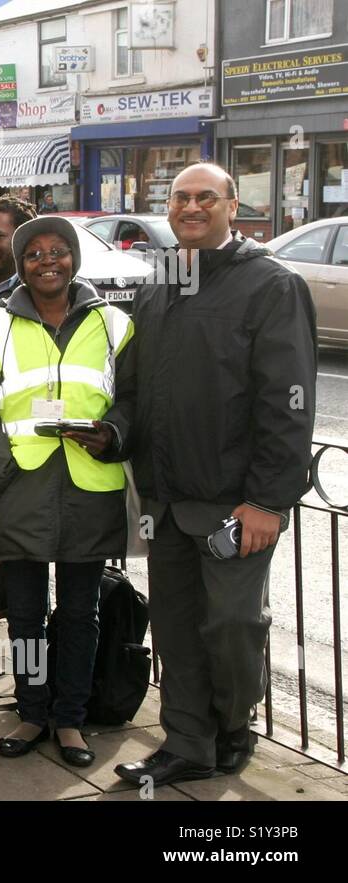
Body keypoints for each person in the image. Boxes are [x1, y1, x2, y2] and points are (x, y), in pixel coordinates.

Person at [114, 163, 316, 785]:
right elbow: (134, 386)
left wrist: (267, 502)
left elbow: (287, 403)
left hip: (234, 505)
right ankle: (187, 743)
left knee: (231, 625)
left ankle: (234, 723)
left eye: (207, 197)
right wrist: (116, 434)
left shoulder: (270, 286)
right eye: (181, 198)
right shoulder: (159, 283)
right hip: (167, 500)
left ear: (234, 206)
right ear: (168, 209)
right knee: (174, 629)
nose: (192, 207)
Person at [0, 216, 134, 767]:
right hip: (20, 489)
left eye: (59, 251)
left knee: (80, 613)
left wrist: (112, 434)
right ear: (21, 263)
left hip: (90, 486)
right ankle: (32, 712)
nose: (47, 261)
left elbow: (135, 397)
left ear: (75, 259)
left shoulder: (115, 325)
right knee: (27, 614)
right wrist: (1, 469)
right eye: (34, 253)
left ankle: (71, 719)